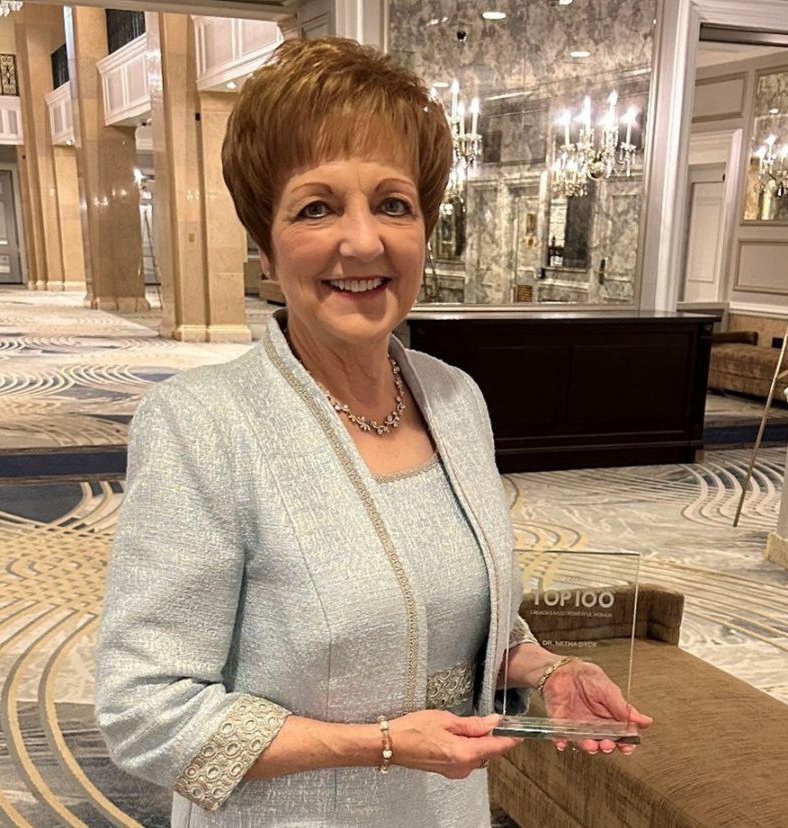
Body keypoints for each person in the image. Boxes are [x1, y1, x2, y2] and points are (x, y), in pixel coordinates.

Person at [95, 36, 651, 828]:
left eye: (393, 203)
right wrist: (380, 744)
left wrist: (543, 666)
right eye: (317, 207)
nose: (364, 242)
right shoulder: (205, 426)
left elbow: (453, 623)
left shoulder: (456, 399)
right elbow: (143, 713)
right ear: (265, 244)